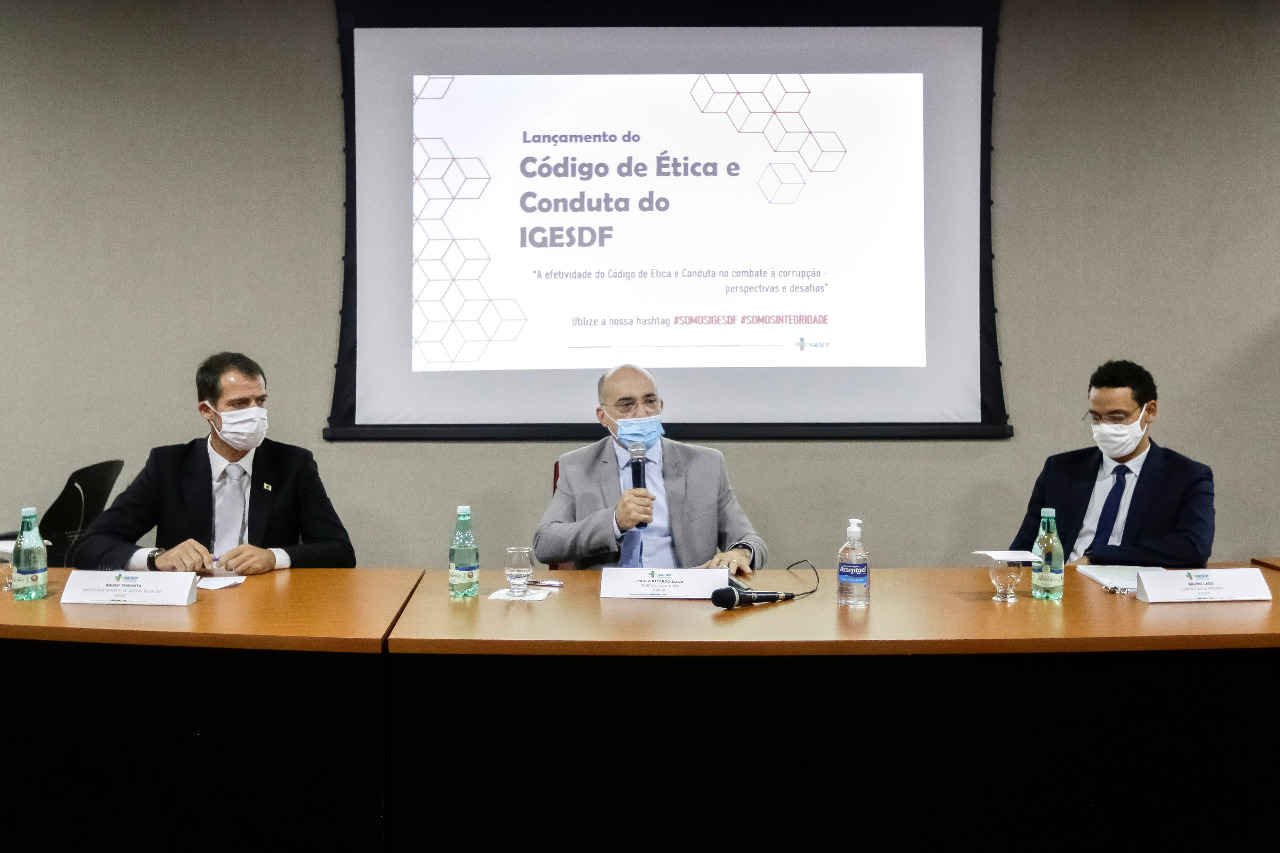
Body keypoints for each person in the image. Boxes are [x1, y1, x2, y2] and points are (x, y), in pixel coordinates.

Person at [70, 352, 355, 573]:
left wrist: (274, 557)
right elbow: (89, 546)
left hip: (266, 605)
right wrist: (157, 558)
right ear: (207, 411)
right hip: (192, 606)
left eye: (260, 401)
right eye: (240, 404)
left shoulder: (293, 464)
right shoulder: (168, 466)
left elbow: (340, 550)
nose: (255, 413)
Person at [534, 364, 767, 573]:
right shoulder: (577, 466)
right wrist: (614, 521)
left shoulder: (705, 464)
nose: (641, 412)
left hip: (685, 597)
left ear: (660, 406)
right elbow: (544, 544)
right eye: (626, 404)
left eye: (650, 401)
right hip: (608, 600)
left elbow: (749, 539)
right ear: (602, 416)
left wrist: (741, 552)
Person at [1010, 359, 1213, 567]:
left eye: (1117, 417)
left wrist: (1097, 558)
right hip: (1062, 580)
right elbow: (1021, 550)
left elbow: (1195, 547)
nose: (1105, 427)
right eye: (1096, 418)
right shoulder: (1060, 469)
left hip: (1130, 583)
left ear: (1150, 411)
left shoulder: (1186, 476)